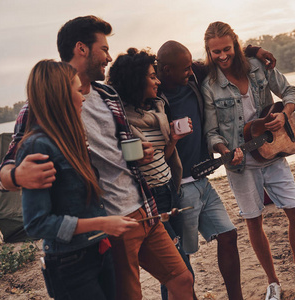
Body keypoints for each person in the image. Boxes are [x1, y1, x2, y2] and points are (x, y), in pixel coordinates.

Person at [0, 16, 193, 300]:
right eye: (104, 49)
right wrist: (16, 176)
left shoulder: (108, 95)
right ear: (82, 49)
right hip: (110, 222)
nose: (109, 57)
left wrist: (140, 152)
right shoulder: (42, 106)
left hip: (145, 207)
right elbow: (4, 173)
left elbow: (121, 147)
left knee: (182, 279)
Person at [201, 21, 295, 300]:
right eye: (215, 52)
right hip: (240, 165)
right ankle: (272, 283)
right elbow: (211, 133)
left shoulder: (257, 65)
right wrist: (224, 151)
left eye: (226, 49)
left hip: (274, 154)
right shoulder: (209, 84)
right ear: (208, 51)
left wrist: (285, 114)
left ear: (236, 44)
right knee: (253, 221)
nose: (221, 56)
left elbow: (289, 92)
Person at [156, 40, 275, 300]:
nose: (190, 71)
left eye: (190, 66)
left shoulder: (193, 77)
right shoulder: (152, 95)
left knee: (228, 236)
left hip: (201, 179)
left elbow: (224, 58)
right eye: (184, 68)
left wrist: (255, 50)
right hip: (176, 188)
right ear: (165, 70)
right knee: (178, 261)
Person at [17, 59, 139, 300]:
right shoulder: (37, 146)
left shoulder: (70, 138)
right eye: (77, 90)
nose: (83, 97)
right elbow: (37, 224)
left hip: (98, 251)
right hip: (70, 265)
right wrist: (101, 224)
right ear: (60, 95)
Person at [107, 48, 196, 300]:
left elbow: (162, 157)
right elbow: (117, 164)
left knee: (182, 261)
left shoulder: (157, 110)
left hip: (169, 188)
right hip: (149, 199)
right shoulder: (121, 120)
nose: (157, 81)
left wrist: (174, 140)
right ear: (136, 80)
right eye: (151, 76)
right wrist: (132, 158)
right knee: (176, 269)